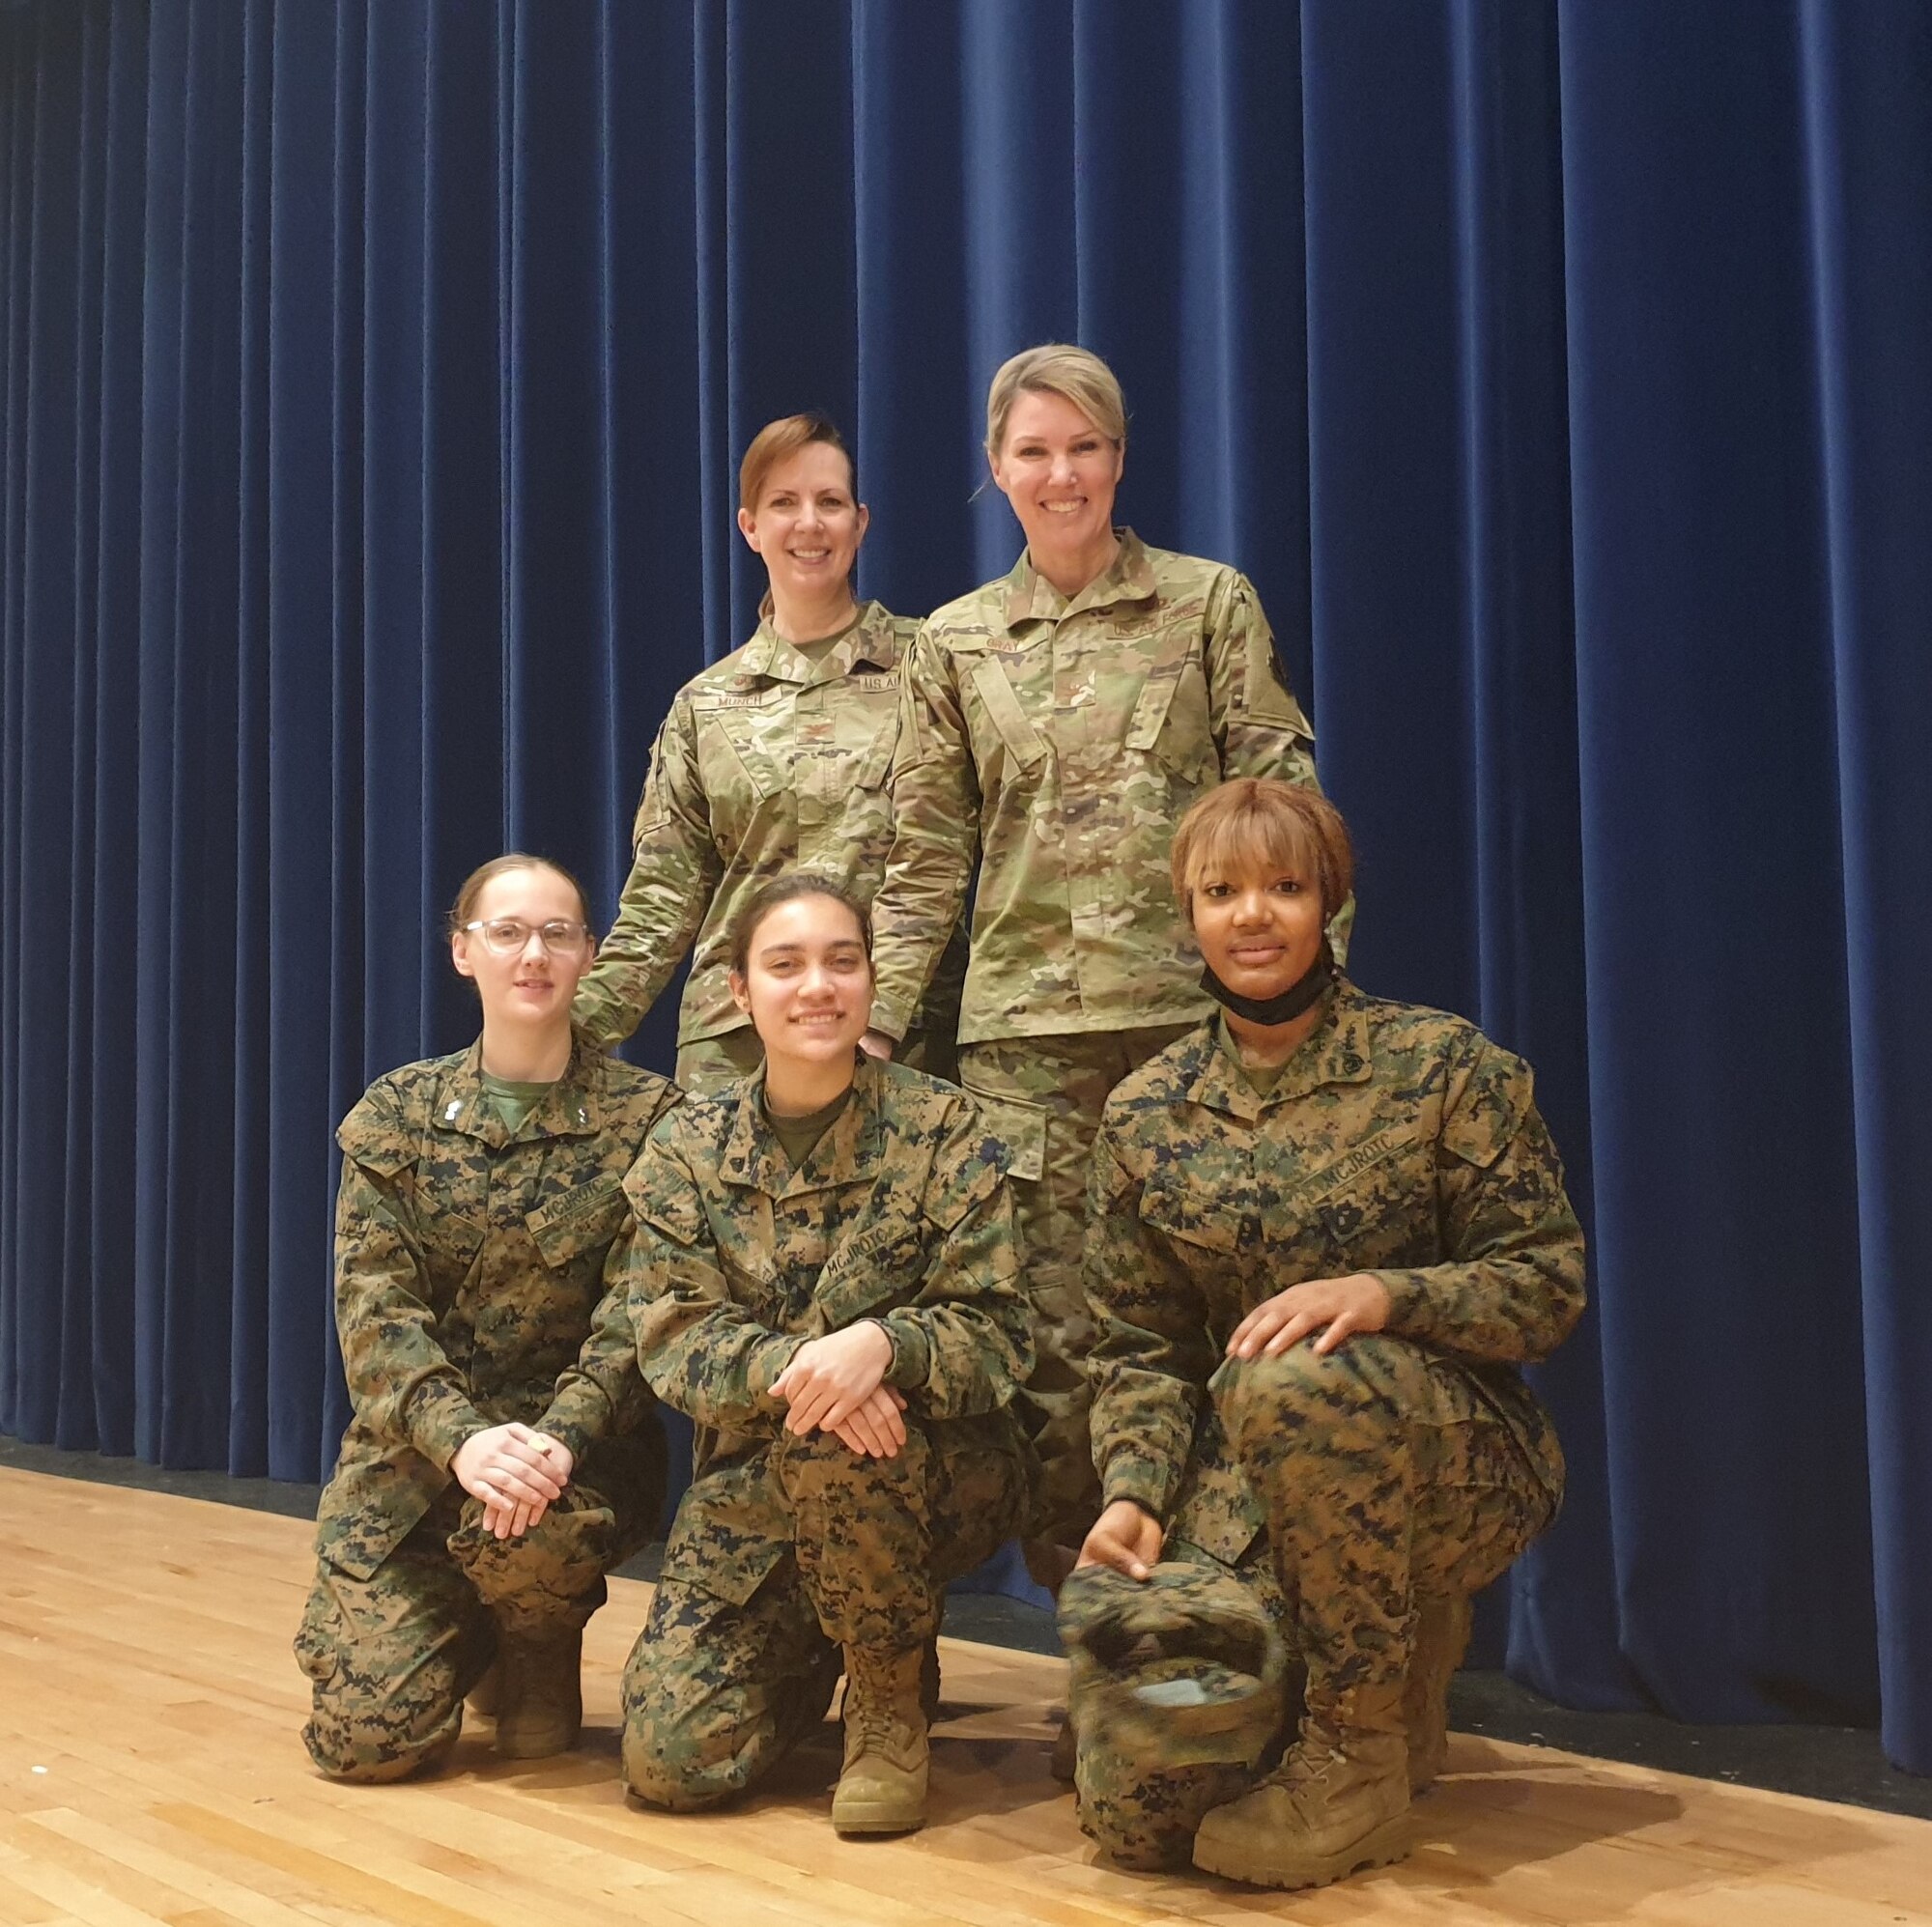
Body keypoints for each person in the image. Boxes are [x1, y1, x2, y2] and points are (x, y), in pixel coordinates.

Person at [867, 343, 1344, 1581]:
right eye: (1033, 451)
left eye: (1083, 447)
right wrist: (872, 1029)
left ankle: (1240, 1626)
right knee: (1059, 1357)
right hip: (1025, 1058)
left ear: (1119, 460)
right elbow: (925, 861)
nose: (1060, 473)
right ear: (995, 469)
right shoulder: (953, 645)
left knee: (1220, 1327)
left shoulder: (1205, 604)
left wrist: (1313, 998)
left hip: (1202, 1033)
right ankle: (1100, 1652)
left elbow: (1283, 809)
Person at [1073, 779, 1584, 1890]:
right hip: (1248, 1478)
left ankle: (1355, 1750)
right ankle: (1359, 1679)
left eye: (1283, 887)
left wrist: (1388, 1294)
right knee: (1135, 1808)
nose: (1251, 915)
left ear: (1328, 904)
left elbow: (1546, 1284)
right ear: (1189, 913)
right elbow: (1137, 1346)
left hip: (1450, 1461)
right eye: (1221, 891)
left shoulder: (1443, 1069)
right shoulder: (1144, 1112)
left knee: (1289, 1382)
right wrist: (1133, 1493)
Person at [588, 873, 1030, 1835]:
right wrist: (814, 1374)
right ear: (739, 993)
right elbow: (668, 1337)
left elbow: (999, 1334)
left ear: (871, 980)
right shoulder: (686, 1148)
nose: (816, 986)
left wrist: (885, 1345)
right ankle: (822, 1644)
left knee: (842, 1444)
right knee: (673, 1766)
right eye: (783, 965)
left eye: (842, 960)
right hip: (754, 1491)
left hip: (929, 1471)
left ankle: (886, 1695)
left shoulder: (944, 1127)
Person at [295, 855, 678, 1782]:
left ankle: (538, 1639)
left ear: (590, 953)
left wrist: (553, 1441)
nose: (533, 953)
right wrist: (464, 1441)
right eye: (507, 932)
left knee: (535, 1528)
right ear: (464, 952)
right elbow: (376, 1319)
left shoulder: (653, 1120)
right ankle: (470, 1633)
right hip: (419, 1466)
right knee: (368, 1743)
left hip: (568, 1468)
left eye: (558, 932)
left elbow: (639, 1320)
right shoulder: (395, 1115)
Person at [571, 412, 964, 1091]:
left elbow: (940, 858)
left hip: (896, 1037)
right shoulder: (705, 705)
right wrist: (566, 1040)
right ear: (750, 526)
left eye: (829, 502)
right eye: (784, 503)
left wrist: (884, 1019)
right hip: (735, 1047)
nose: (809, 523)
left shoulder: (932, 664)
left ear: (860, 522)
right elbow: (661, 901)